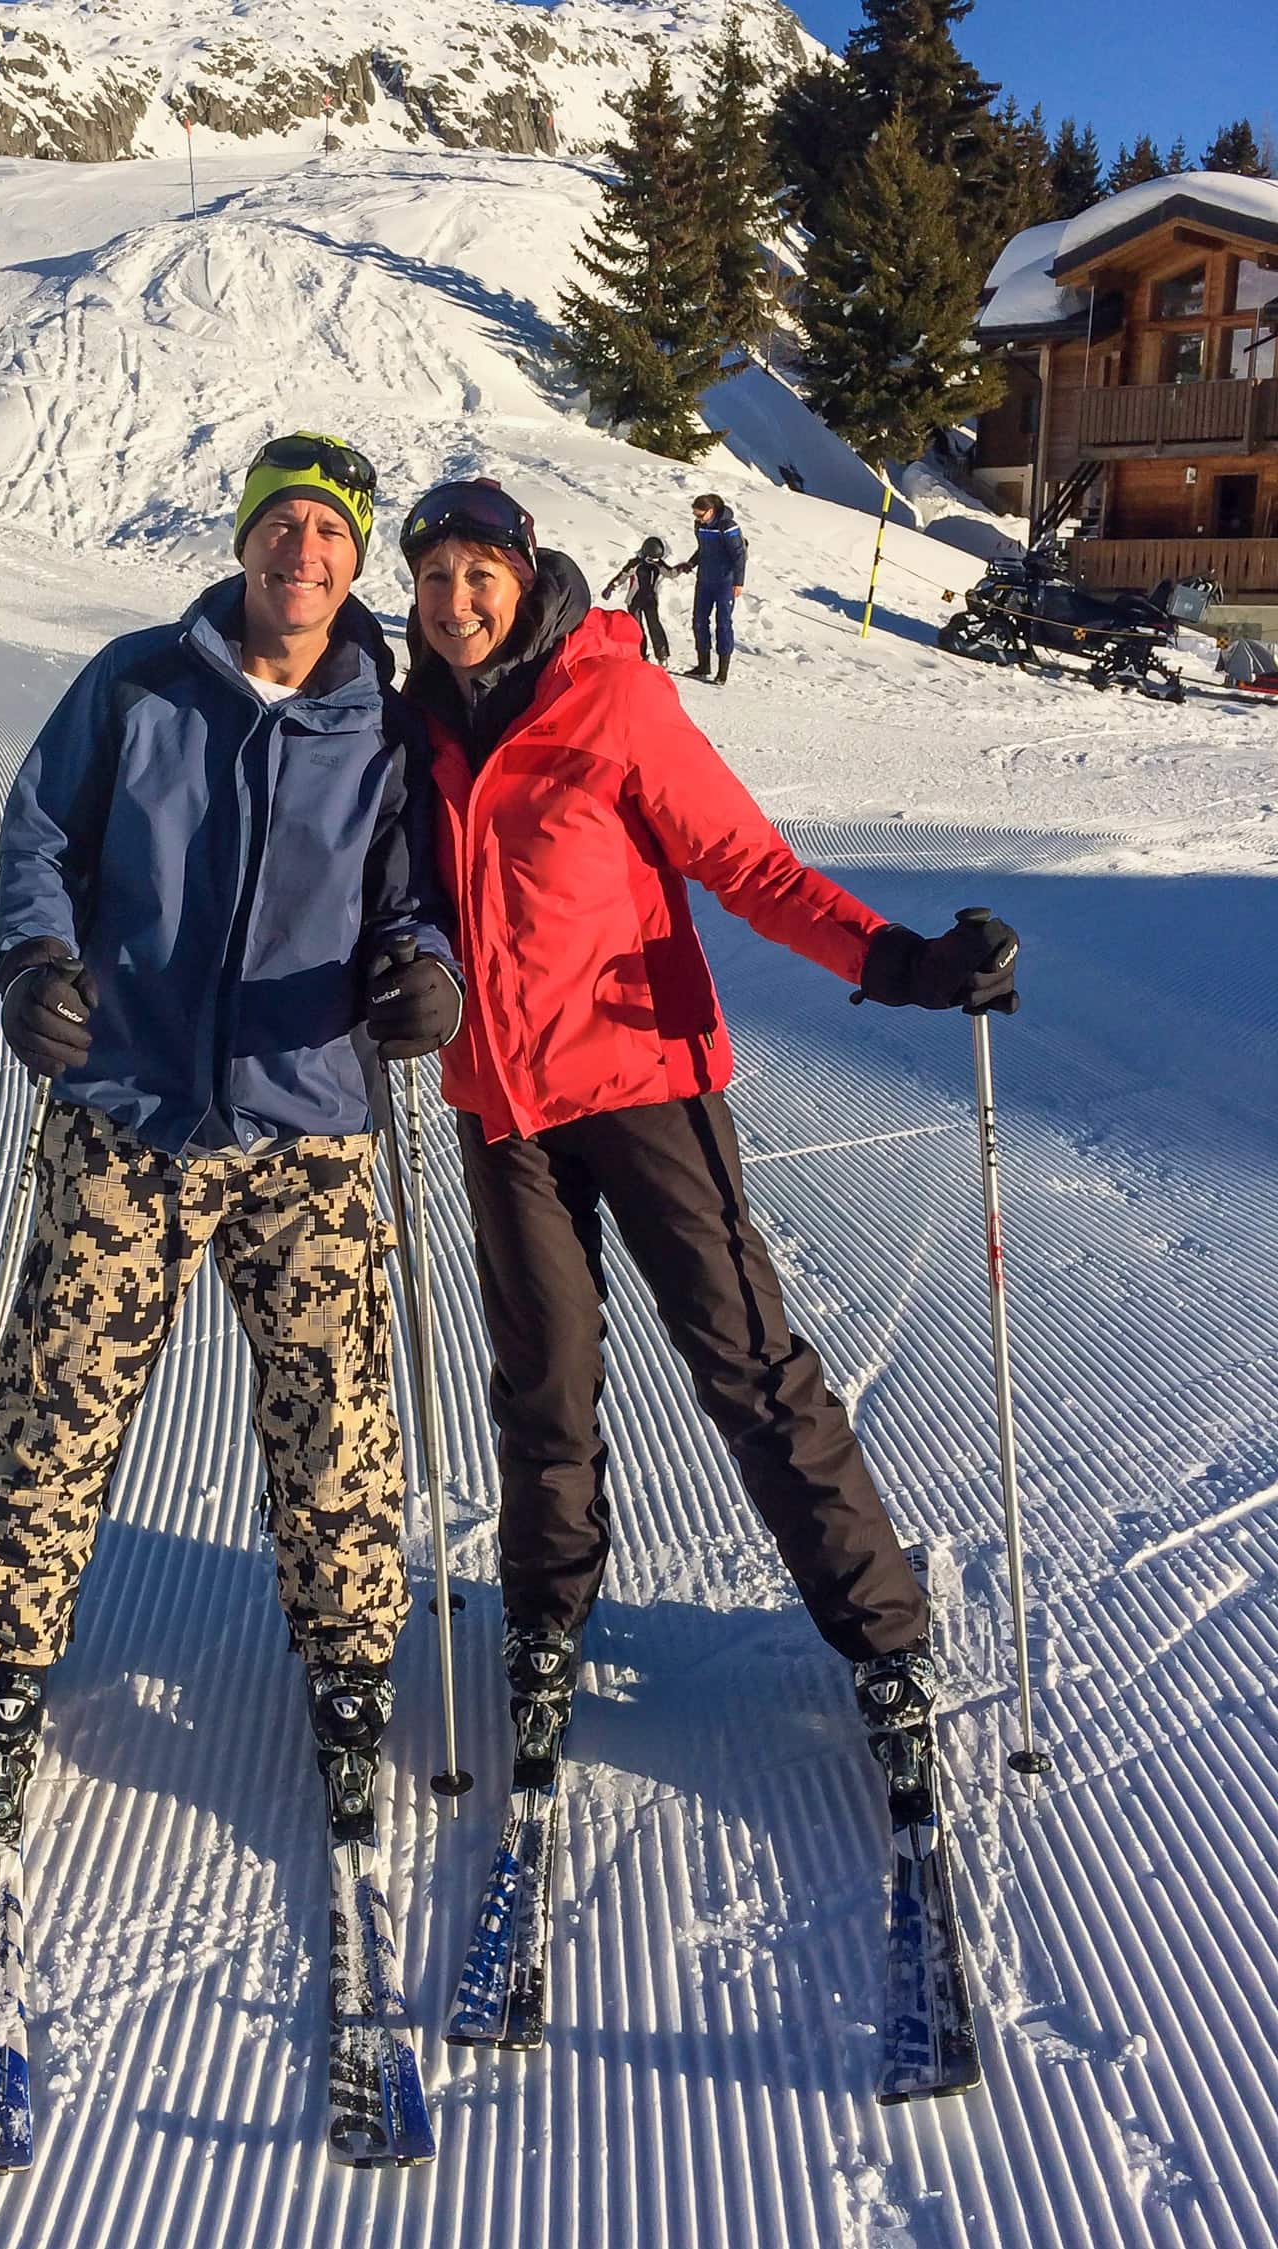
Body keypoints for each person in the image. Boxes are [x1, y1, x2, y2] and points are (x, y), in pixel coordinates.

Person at [396, 474, 1019, 1776]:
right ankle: (547, 1621)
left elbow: (751, 866)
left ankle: (884, 1635)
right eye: (433, 579)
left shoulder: (611, 695)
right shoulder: (417, 730)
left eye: (477, 575)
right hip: (501, 1106)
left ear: (524, 575)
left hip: (643, 1083)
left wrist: (897, 960)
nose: (455, 603)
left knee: (746, 1362)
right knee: (544, 1384)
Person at [0, 432, 464, 1838]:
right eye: (284, 524)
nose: (304, 553)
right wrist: (34, 966)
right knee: (56, 1392)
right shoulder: (138, 680)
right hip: (126, 1110)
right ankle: (6, 1658)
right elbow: (39, 836)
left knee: (338, 1412)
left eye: (332, 534)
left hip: (308, 1121)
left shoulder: (385, 722)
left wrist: (426, 973)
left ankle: (351, 1664)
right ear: (244, 538)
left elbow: (418, 898)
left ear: (358, 563)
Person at [677, 493, 747, 683]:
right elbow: (703, 550)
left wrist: (738, 582)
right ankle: (703, 665)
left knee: (723, 623)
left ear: (711, 511)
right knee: (699, 620)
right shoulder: (700, 525)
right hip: (705, 580)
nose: (697, 519)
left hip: (725, 582)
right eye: (695, 515)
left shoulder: (728, 526)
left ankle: (722, 672)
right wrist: (691, 564)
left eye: (700, 515)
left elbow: (739, 554)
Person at [600, 536, 677, 665]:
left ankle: (662, 656)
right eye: (651, 559)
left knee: (655, 626)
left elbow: (671, 573)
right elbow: (623, 575)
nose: (654, 562)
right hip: (635, 600)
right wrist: (611, 586)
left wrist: (682, 568)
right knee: (636, 628)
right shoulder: (635, 564)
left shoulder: (659, 565)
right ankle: (639, 654)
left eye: (657, 559)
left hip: (651, 600)